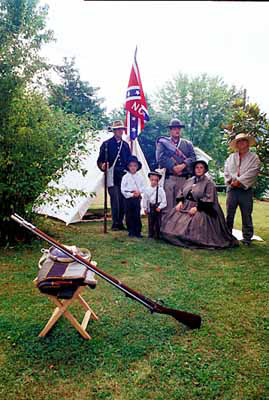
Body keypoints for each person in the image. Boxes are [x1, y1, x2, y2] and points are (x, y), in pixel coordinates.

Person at [161, 160, 239, 249]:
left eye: (201, 168)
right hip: (186, 206)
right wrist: (180, 202)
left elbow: (209, 200)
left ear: (205, 170)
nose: (198, 169)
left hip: (203, 209)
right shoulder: (189, 180)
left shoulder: (209, 183)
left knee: (196, 222)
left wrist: (197, 208)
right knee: (171, 223)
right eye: (197, 167)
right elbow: (182, 192)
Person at [224, 133, 261, 246]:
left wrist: (239, 181)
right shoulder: (231, 157)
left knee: (246, 214)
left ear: (248, 143)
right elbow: (226, 170)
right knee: (229, 214)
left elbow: (253, 171)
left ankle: (247, 238)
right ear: (237, 144)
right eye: (239, 142)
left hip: (245, 190)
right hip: (232, 189)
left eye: (243, 141)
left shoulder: (254, 158)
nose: (241, 143)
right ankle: (227, 235)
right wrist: (231, 181)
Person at [156, 118, 196, 216]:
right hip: (169, 178)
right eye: (174, 128)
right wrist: (173, 167)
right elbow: (159, 158)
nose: (177, 130)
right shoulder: (163, 143)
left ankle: (179, 230)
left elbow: (193, 158)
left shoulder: (188, 144)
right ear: (170, 130)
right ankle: (165, 229)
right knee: (167, 207)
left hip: (183, 179)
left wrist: (183, 165)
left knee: (181, 205)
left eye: (178, 128)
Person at [97, 120, 131, 231]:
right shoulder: (106, 144)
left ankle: (121, 222)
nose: (121, 131)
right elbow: (100, 161)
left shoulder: (125, 145)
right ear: (114, 131)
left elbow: (128, 161)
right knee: (115, 200)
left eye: (122, 129)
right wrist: (103, 165)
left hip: (123, 176)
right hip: (112, 176)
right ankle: (115, 223)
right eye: (118, 129)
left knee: (123, 200)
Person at [121, 155, 145, 238]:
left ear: (137, 167)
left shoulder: (140, 177)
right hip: (128, 198)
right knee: (129, 214)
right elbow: (123, 189)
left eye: (135, 166)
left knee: (136, 214)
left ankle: (137, 231)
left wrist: (139, 192)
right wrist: (131, 194)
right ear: (128, 167)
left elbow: (143, 187)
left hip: (137, 198)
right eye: (131, 166)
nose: (133, 168)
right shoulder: (125, 177)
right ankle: (131, 231)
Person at [143, 171, 167, 239]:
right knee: (151, 221)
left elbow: (164, 201)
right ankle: (150, 234)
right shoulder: (147, 189)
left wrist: (160, 207)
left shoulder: (160, 190)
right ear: (150, 179)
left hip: (158, 207)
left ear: (158, 180)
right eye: (152, 180)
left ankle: (158, 235)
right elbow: (145, 200)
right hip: (151, 207)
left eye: (156, 180)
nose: (154, 182)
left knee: (158, 222)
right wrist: (145, 208)